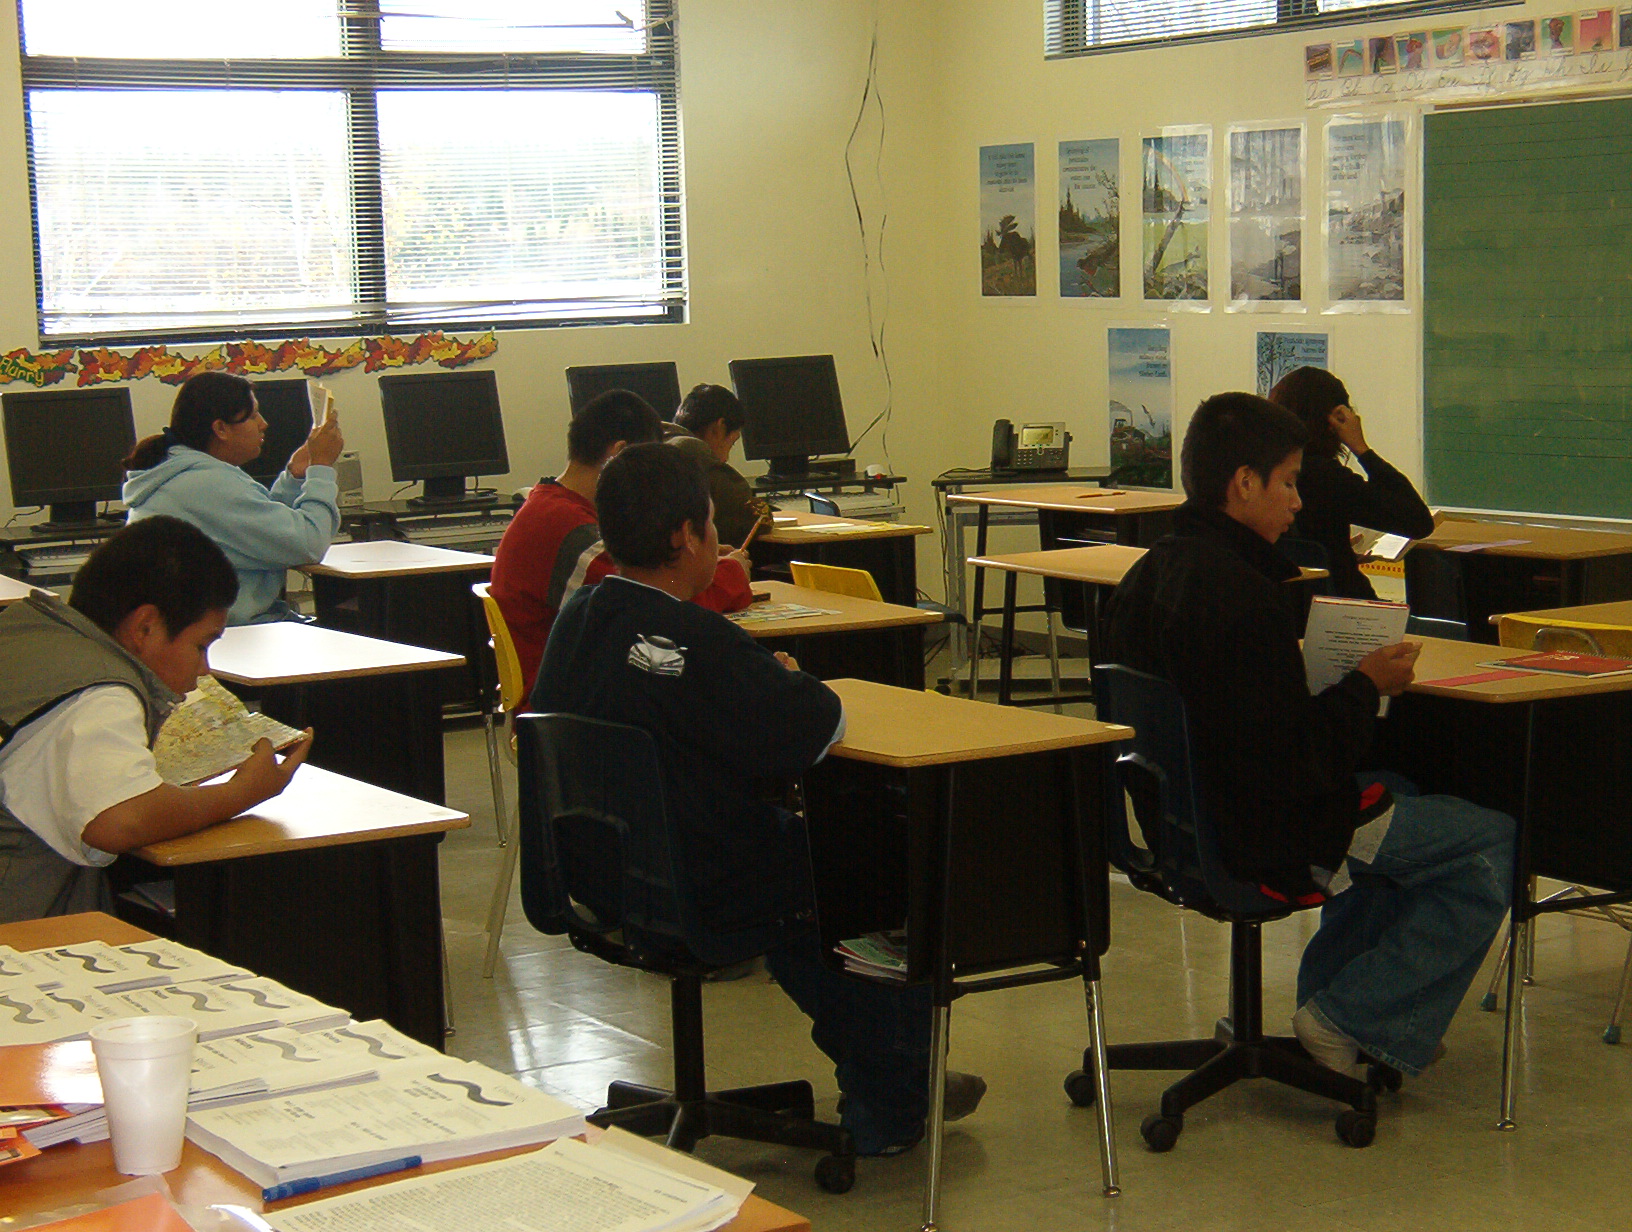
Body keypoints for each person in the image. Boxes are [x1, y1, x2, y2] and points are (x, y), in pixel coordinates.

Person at [533, 443, 983, 1156]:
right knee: (860, 862)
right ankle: (894, 1096)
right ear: (687, 535)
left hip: (599, 878)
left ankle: (896, 1075)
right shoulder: (696, 639)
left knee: (795, 862)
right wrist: (786, 677)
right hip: (697, 884)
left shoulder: (580, 619)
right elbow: (815, 724)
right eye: (711, 523)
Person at [1104, 392, 1513, 1079]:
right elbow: (1295, 766)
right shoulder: (1241, 595)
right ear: (1243, 484)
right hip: (1261, 832)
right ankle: (1350, 1016)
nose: (1298, 503)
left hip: (1178, 826)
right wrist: (1364, 686)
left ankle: (1326, 1004)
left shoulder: (1151, 572)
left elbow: (1240, 717)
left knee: (1403, 792)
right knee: (1491, 842)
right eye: (1289, 482)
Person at [0, 516, 312, 924]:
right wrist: (242, 793)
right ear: (145, 627)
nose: (204, 669)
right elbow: (117, 820)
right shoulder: (101, 691)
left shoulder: (29, 629)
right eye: (201, 645)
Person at [492, 390, 753, 697]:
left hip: (582, 701)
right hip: (578, 710)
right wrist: (730, 574)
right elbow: (661, 611)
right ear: (620, 454)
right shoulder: (572, 534)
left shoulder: (553, 510)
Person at [124, 371, 344, 625]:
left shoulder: (182, 472)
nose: (264, 423)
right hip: (231, 636)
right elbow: (309, 545)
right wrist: (322, 469)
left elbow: (266, 528)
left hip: (205, 631)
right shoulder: (206, 484)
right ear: (220, 429)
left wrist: (295, 476)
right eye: (252, 416)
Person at [1266, 366, 1434, 599]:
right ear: (1335, 419)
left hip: (1290, 608)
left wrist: (1339, 551)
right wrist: (1362, 449)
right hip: (1343, 610)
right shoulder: (1327, 477)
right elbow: (1418, 522)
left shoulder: (1263, 475)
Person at [665, 383, 765, 547]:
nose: (725, 459)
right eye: (731, 443)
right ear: (719, 428)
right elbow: (745, 513)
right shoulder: (690, 449)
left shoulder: (660, 439)